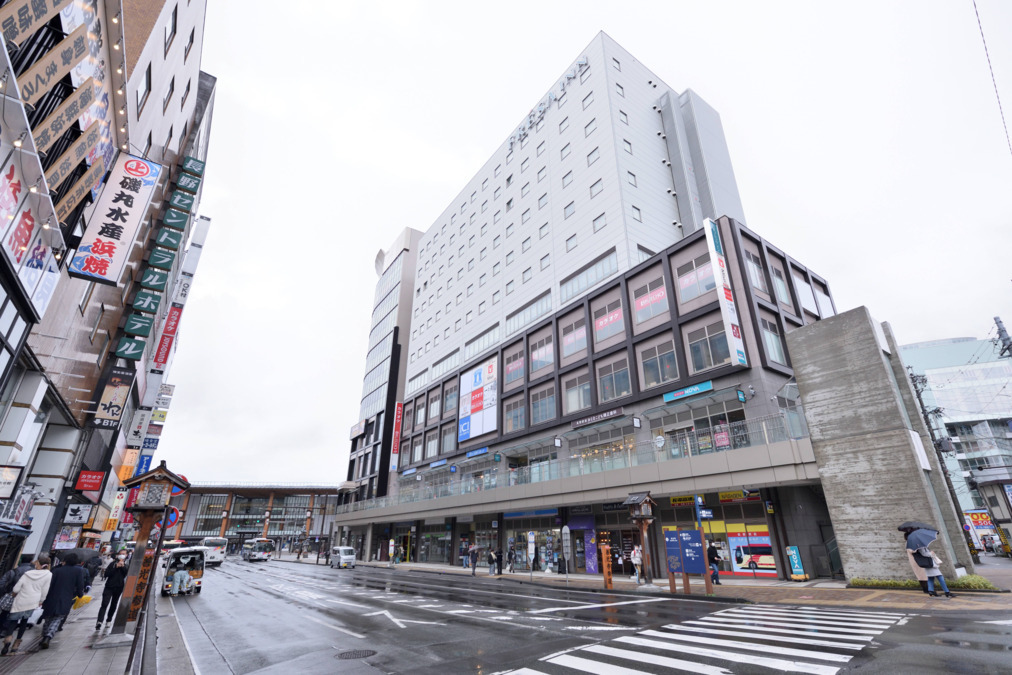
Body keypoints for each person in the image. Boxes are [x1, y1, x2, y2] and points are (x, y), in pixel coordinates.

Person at [40, 553, 88, 649]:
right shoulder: (78, 571)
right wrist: (80, 594)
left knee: (48, 618)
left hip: (51, 597)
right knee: (58, 618)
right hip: (66, 597)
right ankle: (48, 636)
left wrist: (43, 598)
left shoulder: (57, 570)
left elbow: (49, 585)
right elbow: (80, 584)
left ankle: (44, 636)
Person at [905, 531, 955, 598]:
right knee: (940, 577)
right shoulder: (919, 545)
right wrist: (931, 553)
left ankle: (931, 590)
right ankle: (947, 592)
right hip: (930, 564)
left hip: (928, 564)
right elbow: (924, 553)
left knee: (930, 578)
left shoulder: (919, 544)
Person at [97, 552, 128, 631]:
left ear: (126, 556)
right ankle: (99, 621)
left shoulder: (126, 565)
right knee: (104, 604)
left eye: (124, 554)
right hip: (109, 587)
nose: (122, 555)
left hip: (119, 587)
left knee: (114, 604)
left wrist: (122, 566)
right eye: (121, 553)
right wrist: (116, 567)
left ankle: (109, 620)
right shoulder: (112, 564)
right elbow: (106, 574)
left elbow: (126, 574)